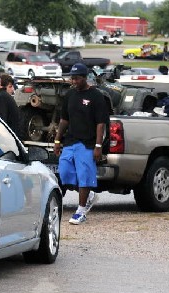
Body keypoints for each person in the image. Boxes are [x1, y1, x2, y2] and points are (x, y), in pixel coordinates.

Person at [53, 63, 109, 225]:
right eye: (72, 78)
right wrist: (58, 140)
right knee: (64, 173)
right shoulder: (70, 95)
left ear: (85, 78)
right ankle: (89, 195)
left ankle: (81, 211)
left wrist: (98, 146)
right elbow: (64, 119)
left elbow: (101, 123)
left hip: (88, 143)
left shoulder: (96, 96)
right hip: (70, 140)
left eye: (77, 78)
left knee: (84, 176)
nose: (74, 81)